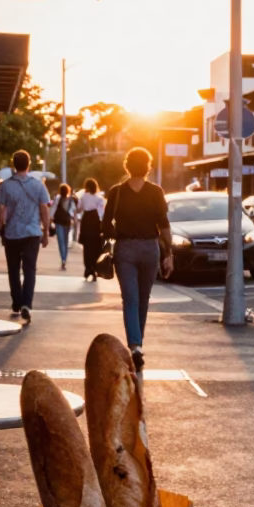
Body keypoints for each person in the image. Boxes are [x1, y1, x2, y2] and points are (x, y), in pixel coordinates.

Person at [102, 148, 173, 372]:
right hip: (150, 249)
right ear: (148, 166)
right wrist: (169, 253)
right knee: (143, 298)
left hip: (125, 249)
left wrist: (117, 234)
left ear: (127, 166)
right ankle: (137, 345)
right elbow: (164, 225)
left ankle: (135, 345)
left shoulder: (117, 192)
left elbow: (105, 224)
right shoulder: (156, 192)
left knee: (130, 299)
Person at [0, 150, 50, 323]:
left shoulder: (6, 185)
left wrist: (1, 227)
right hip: (32, 233)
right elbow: (44, 208)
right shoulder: (38, 185)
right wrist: (46, 230)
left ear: (13, 164)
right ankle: (27, 303)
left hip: (12, 233)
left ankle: (17, 302)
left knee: (13, 269)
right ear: (29, 164)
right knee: (30, 269)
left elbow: (0, 209)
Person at [78, 177, 106, 281]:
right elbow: (101, 213)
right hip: (95, 221)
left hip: (86, 221)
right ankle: (94, 267)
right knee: (96, 246)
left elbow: (79, 208)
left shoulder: (83, 196)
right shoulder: (99, 198)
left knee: (87, 247)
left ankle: (87, 267)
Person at [50, 183, 76, 270]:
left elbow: (53, 209)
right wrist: (74, 220)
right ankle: (64, 259)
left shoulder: (57, 198)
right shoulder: (71, 200)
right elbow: (73, 211)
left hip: (59, 222)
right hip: (67, 222)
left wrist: (50, 219)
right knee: (65, 241)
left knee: (61, 242)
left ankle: (63, 259)